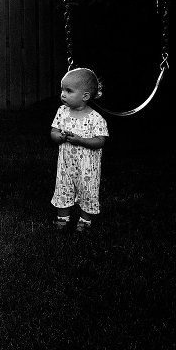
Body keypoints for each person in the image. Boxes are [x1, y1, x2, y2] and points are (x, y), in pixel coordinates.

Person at [50, 68, 109, 232]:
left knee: (87, 191)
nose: (63, 94)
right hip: (66, 166)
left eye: (69, 91)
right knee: (63, 188)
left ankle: (84, 220)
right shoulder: (62, 112)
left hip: (87, 169)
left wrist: (81, 140)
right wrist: (59, 136)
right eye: (62, 89)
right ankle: (63, 218)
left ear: (85, 96)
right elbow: (53, 133)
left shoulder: (96, 118)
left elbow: (100, 141)